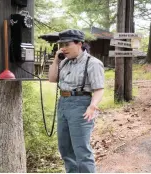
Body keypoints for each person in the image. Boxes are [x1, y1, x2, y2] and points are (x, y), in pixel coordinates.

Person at [48, 29, 104, 173]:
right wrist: (56, 60)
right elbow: (52, 79)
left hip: (81, 105)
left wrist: (92, 106)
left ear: (79, 43)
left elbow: (99, 89)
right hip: (63, 104)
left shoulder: (92, 63)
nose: (63, 48)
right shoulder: (64, 62)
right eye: (61, 45)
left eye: (67, 44)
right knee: (65, 148)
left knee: (81, 150)